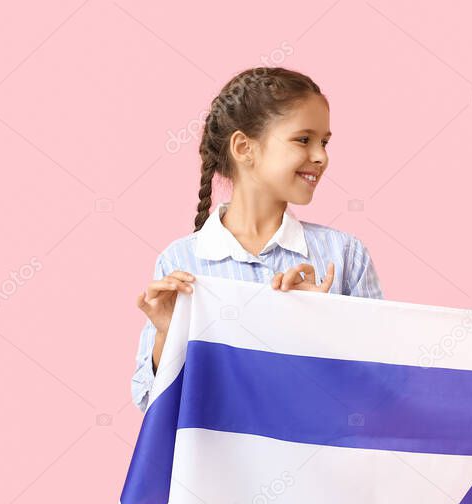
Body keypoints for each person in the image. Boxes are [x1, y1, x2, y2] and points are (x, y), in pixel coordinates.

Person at [132, 67, 383, 412]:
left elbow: (380, 393)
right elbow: (152, 405)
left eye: (324, 142)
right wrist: (167, 336)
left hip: (318, 463)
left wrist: (321, 322)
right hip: (220, 466)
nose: (322, 156)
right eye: (303, 139)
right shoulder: (182, 263)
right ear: (243, 147)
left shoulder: (344, 256)